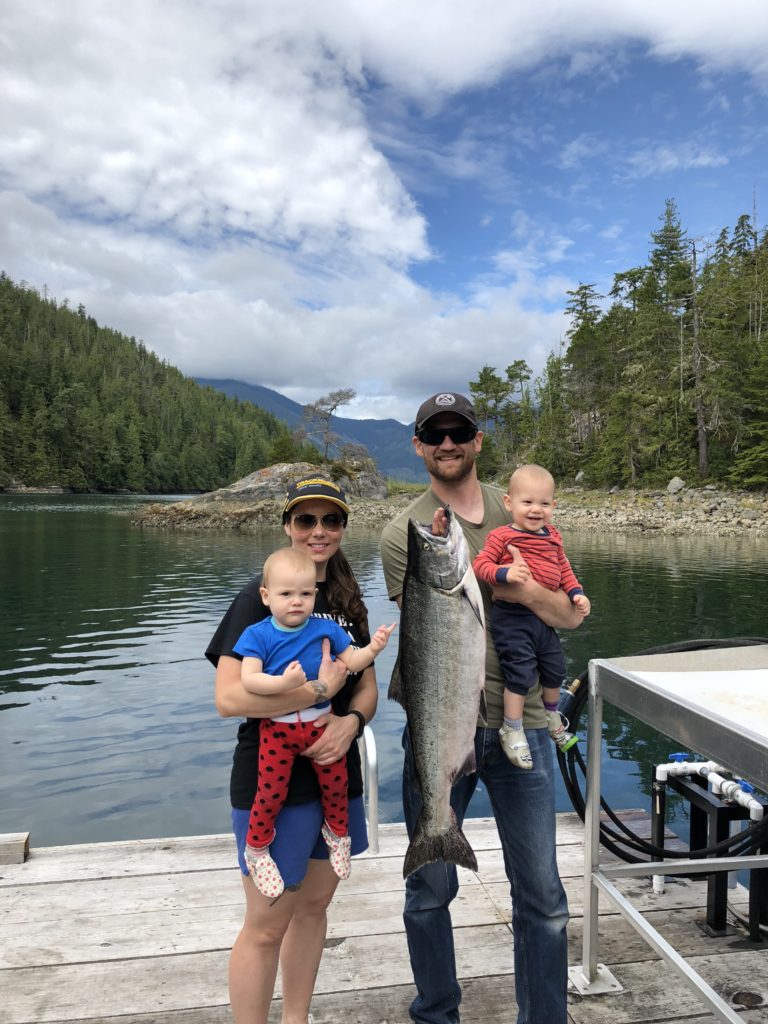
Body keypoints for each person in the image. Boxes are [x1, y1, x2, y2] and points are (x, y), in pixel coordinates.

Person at [380, 392, 585, 1024]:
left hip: (521, 731)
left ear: (477, 439)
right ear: (419, 445)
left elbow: (569, 619)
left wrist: (527, 589)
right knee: (427, 892)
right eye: (433, 434)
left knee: (544, 898)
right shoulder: (402, 534)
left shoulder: (521, 507)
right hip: (442, 727)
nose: (447, 443)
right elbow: (421, 639)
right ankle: (436, 1014)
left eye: (458, 431)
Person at [206, 475, 378, 1024]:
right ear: (287, 525)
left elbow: (368, 688)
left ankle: (296, 1019)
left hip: (335, 772)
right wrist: (318, 691)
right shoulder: (261, 597)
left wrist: (350, 722)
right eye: (306, 520)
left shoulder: (348, 600)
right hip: (271, 777)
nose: (319, 531)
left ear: (344, 528)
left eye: (331, 520)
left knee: (313, 908)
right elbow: (230, 700)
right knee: (266, 924)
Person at [233, 545, 394, 898]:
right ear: (266, 595)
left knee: (335, 785)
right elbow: (248, 681)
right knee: (270, 793)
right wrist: (286, 685)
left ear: (315, 595)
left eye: (305, 594)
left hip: (322, 726)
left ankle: (338, 833)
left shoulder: (326, 628)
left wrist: (375, 648)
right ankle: (257, 847)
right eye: (286, 594)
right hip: (277, 732)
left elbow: (353, 662)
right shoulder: (257, 634)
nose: (296, 601)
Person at [472, 463, 591, 770]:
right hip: (512, 618)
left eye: (544, 503)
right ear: (509, 503)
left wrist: (577, 593)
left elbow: (564, 570)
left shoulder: (553, 536)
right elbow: (480, 566)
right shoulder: (502, 536)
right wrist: (505, 572)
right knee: (521, 674)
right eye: (527, 502)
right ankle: (511, 727)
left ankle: (552, 715)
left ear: (554, 505)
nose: (536, 509)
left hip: (543, 621)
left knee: (555, 669)